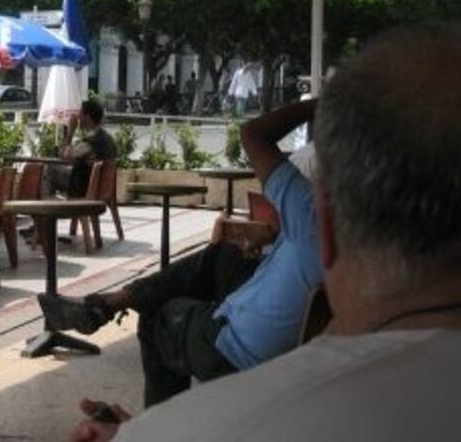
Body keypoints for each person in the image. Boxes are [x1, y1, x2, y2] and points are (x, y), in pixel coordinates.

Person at [71, 24, 461, 442]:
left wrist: (147, 432)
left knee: (166, 313)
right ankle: (118, 299)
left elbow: (253, 134)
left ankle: (123, 305)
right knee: (220, 260)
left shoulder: (235, 422)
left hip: (234, 349)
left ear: (330, 228)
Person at [45, 98, 322, 409]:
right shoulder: (369, 231)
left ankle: (158, 427)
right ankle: (111, 302)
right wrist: (274, 240)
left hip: (238, 349)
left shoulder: (312, 214)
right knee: (225, 256)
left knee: (158, 313)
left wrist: (321, 104)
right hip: (295, 341)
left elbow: (253, 133)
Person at [51, 99, 118, 197]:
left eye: (80, 113)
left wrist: (70, 131)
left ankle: (44, 206)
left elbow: (64, 156)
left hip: (85, 186)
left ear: (87, 117)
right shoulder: (106, 137)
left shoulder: (92, 141)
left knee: (48, 169)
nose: (78, 117)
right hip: (100, 184)